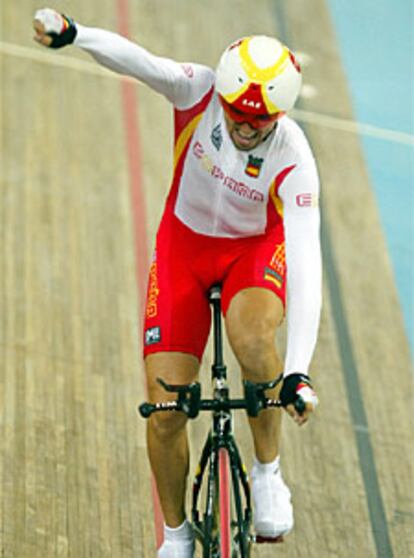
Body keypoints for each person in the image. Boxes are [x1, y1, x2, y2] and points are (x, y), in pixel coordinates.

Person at [33, 8, 321, 557]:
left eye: (258, 122)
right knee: (165, 407)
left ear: (280, 115)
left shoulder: (295, 156)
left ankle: (266, 473)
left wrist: (299, 371)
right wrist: (74, 34)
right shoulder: (197, 90)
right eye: (236, 113)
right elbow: (137, 60)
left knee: (255, 341)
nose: (242, 126)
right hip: (183, 248)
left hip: (251, 253)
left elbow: (307, 260)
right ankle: (176, 534)